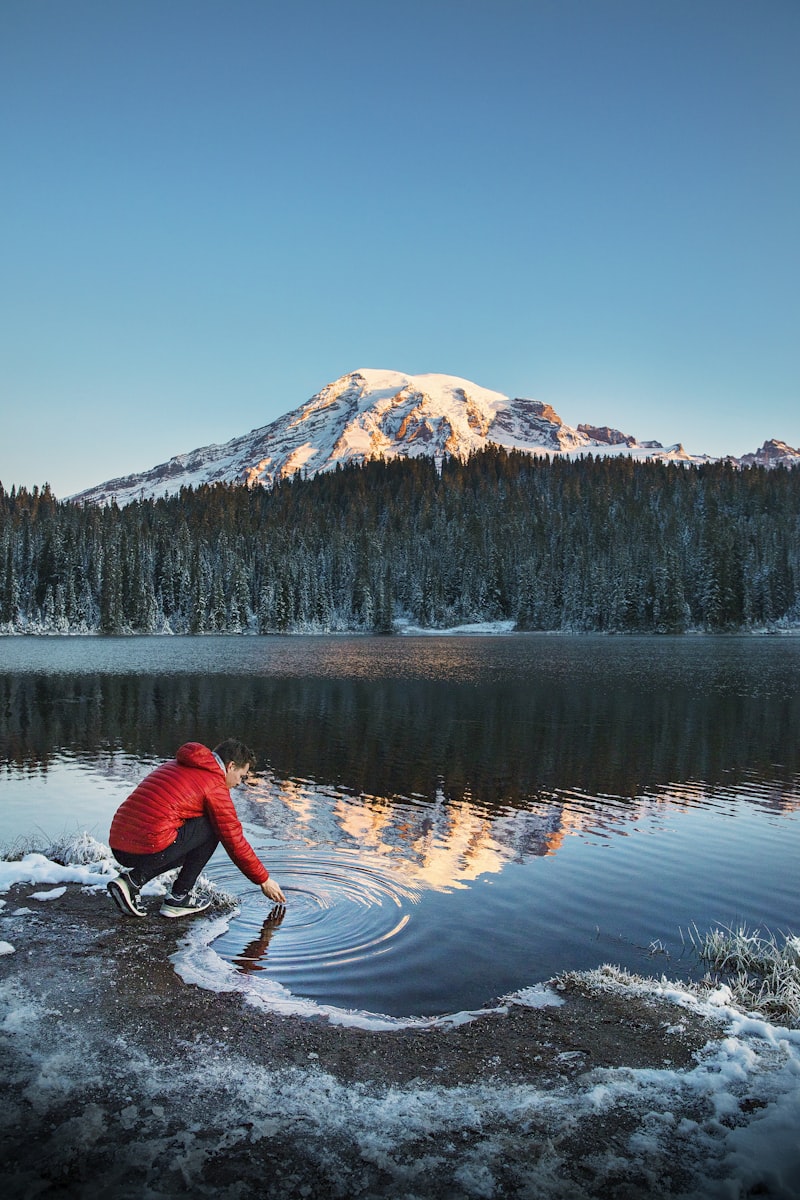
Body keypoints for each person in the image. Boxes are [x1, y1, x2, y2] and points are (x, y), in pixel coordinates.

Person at [107, 738, 286, 919]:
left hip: (119, 844)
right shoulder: (214, 785)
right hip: (145, 846)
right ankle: (178, 897)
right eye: (241, 776)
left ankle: (133, 881)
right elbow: (234, 840)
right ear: (231, 766)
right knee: (213, 828)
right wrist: (264, 880)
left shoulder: (177, 765)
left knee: (196, 826)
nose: (239, 782)